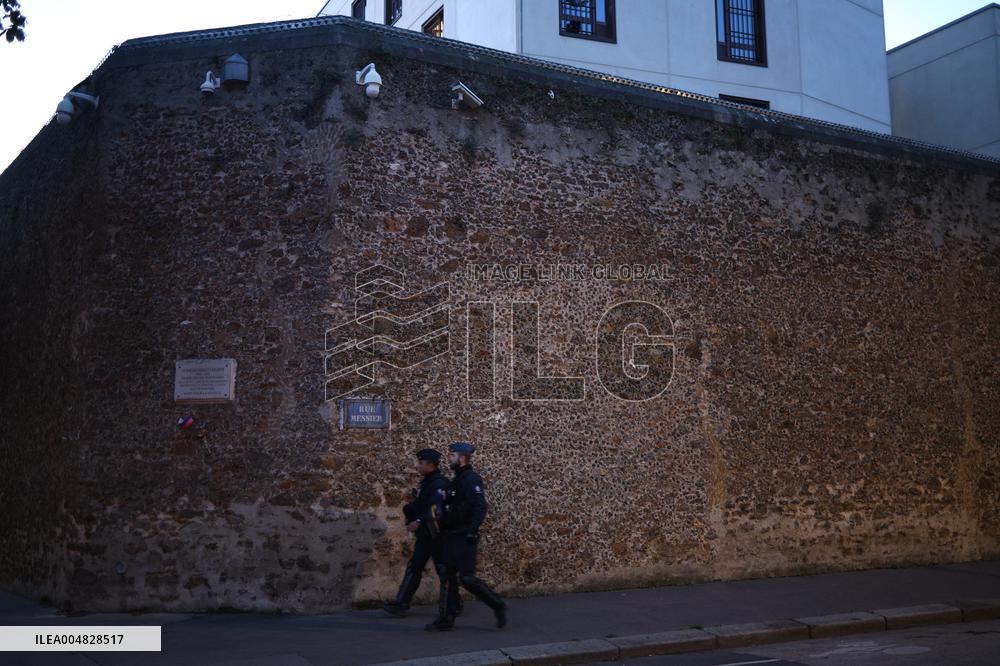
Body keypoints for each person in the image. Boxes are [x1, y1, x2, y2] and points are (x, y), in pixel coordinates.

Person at [426, 441, 507, 631]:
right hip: (451, 535)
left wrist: (473, 529)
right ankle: (447, 618)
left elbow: (480, 506)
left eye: (452, 455)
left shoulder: (470, 479)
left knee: (467, 578)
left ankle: (497, 604)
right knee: (447, 576)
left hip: (464, 535)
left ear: (462, 458)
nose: (448, 458)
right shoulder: (456, 480)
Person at [383, 448, 449, 617]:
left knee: (444, 570)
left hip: (437, 534)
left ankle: (453, 605)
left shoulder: (439, 483)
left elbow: (435, 507)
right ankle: (401, 603)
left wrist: (418, 521)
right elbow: (421, 504)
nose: (418, 466)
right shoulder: (427, 482)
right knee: (415, 567)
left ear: (431, 464)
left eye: (421, 463)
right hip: (426, 535)